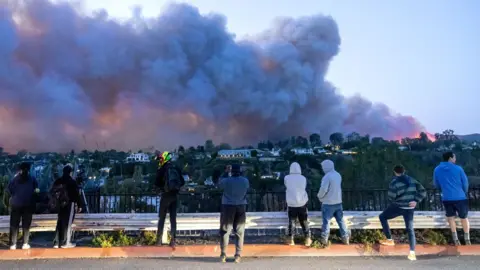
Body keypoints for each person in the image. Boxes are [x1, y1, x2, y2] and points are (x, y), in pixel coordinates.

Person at [379, 165, 426, 261]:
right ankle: (412, 253)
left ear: (395, 172)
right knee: (410, 229)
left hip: (398, 207)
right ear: (404, 171)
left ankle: (389, 239)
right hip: (409, 208)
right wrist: (416, 200)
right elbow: (423, 191)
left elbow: (391, 197)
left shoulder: (394, 182)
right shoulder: (412, 180)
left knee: (382, 217)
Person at [433, 151, 470, 245]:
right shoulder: (458, 169)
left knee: (450, 218)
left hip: (446, 198)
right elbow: (465, 183)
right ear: (450, 158)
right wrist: (463, 192)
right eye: (454, 157)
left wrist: (444, 189)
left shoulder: (437, 169)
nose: (455, 159)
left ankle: (456, 239)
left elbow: (436, 184)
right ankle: (467, 239)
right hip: (460, 197)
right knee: (464, 217)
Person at [217, 164, 249, 263]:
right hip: (241, 206)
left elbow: (219, 185)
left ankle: (223, 254)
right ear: (239, 171)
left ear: (231, 171)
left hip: (227, 206)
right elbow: (247, 188)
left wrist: (225, 173)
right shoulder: (245, 181)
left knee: (225, 231)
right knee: (240, 232)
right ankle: (238, 255)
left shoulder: (226, 181)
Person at [155, 151, 185, 248]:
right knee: (173, 219)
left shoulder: (162, 169)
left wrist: (162, 188)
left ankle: (158, 241)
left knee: (162, 218)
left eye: (161, 159)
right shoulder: (175, 168)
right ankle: (173, 240)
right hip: (174, 196)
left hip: (165, 196)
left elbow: (156, 183)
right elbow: (182, 181)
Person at [317, 159, 349, 245]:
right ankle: (345, 238)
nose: (323, 169)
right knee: (341, 221)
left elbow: (323, 189)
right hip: (338, 202)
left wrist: (319, 196)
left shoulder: (327, 176)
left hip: (328, 203)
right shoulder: (338, 175)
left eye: (323, 167)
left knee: (326, 222)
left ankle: (324, 239)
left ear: (326, 167)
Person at [8, 162, 39, 250]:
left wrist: (16, 195)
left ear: (20, 169)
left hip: (16, 204)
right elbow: (36, 190)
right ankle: (25, 243)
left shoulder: (15, 179)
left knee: (14, 224)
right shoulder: (32, 179)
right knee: (26, 225)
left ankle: (13, 244)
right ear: (29, 169)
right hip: (28, 205)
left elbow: (10, 189)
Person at [51, 164, 82, 248]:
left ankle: (56, 242)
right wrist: (79, 205)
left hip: (60, 205)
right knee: (67, 223)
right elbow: (76, 195)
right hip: (69, 204)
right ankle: (65, 242)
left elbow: (52, 192)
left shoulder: (58, 181)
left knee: (60, 222)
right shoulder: (72, 182)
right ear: (70, 172)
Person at [284, 162, 311, 246]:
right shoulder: (303, 178)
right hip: (302, 202)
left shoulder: (287, 178)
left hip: (291, 203)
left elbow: (286, 186)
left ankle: (291, 239)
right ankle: (307, 239)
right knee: (304, 221)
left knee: (292, 221)